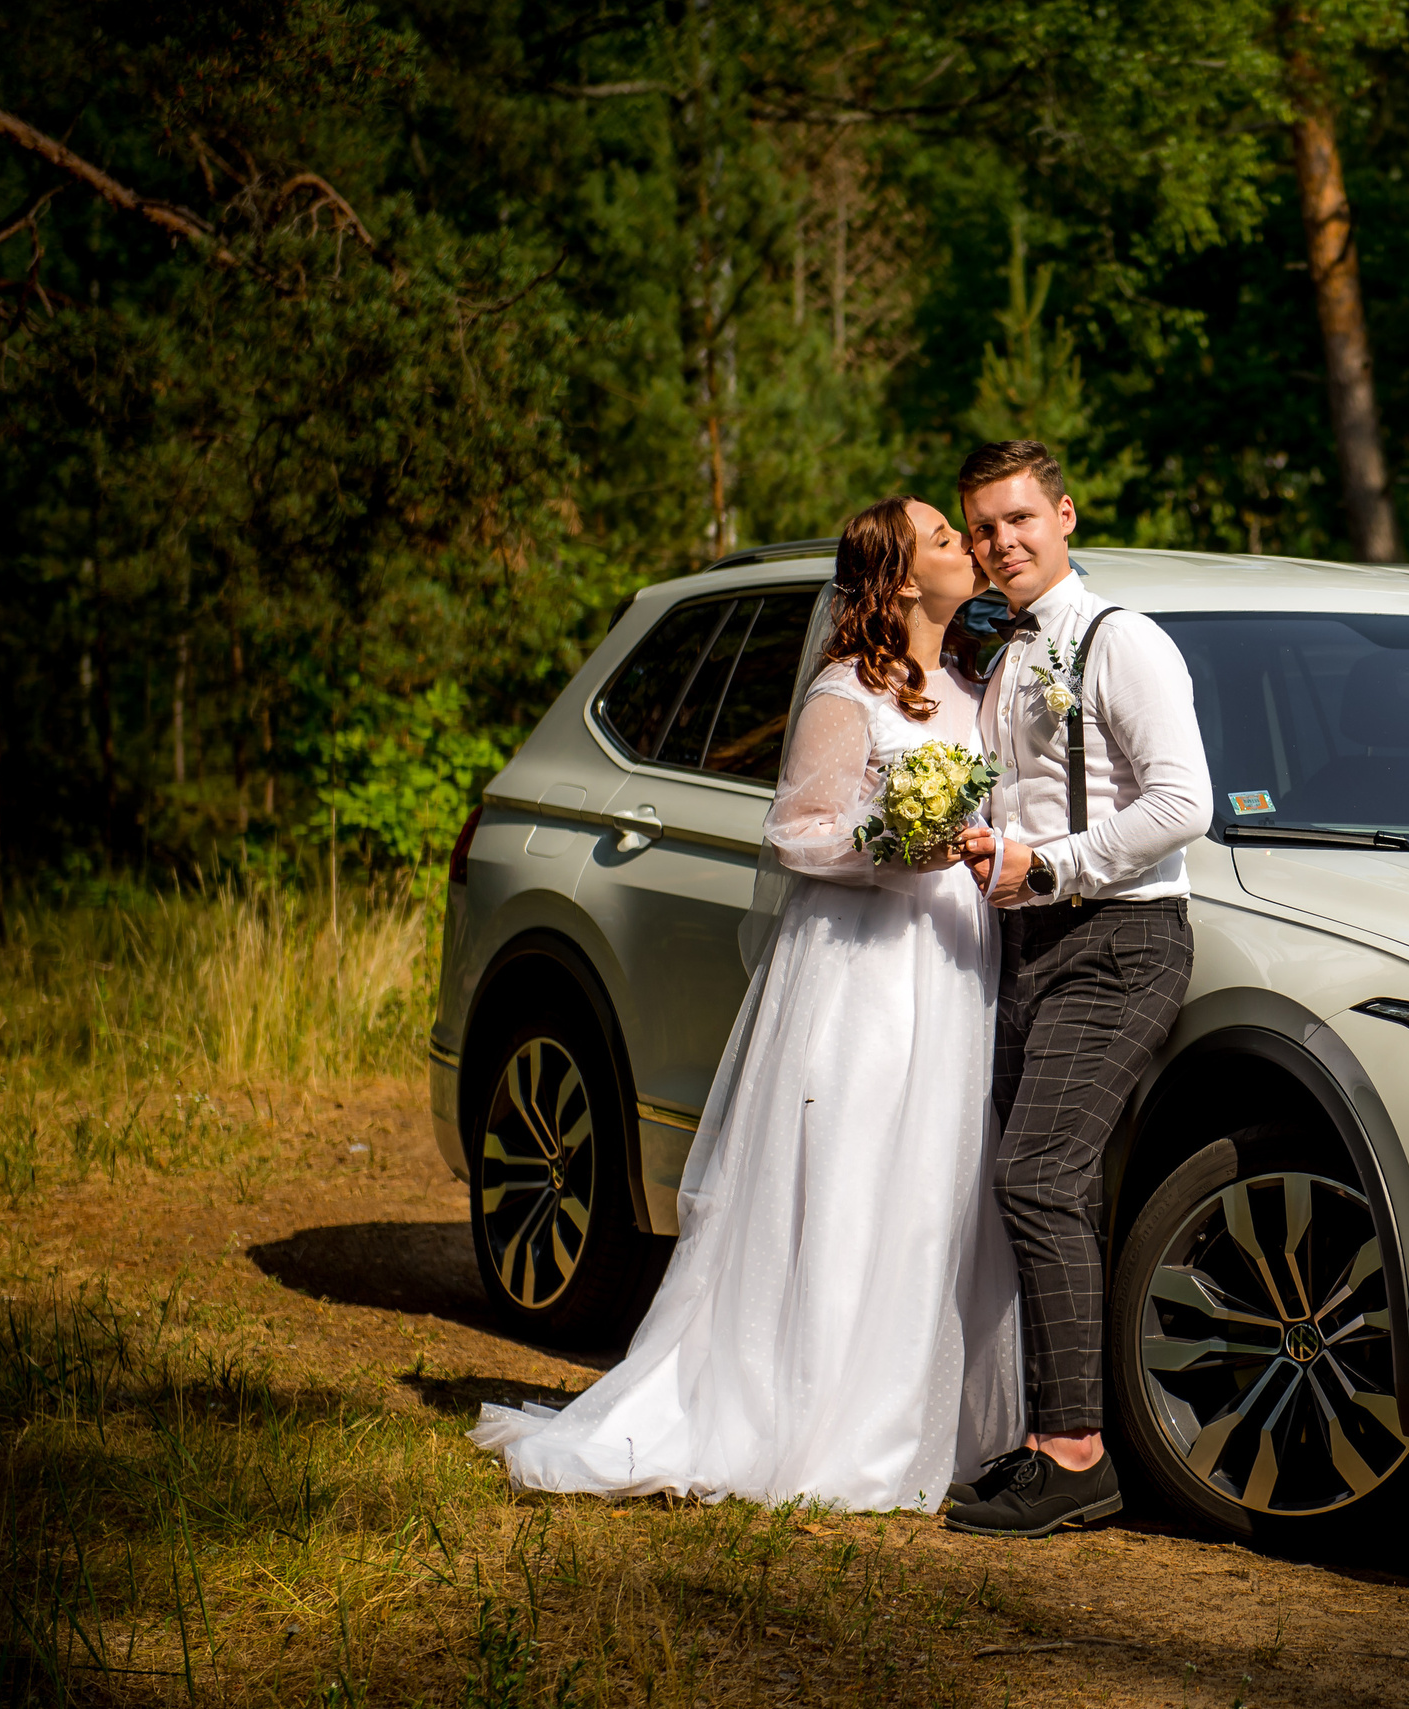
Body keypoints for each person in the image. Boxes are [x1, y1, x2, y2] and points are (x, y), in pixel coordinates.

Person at [469, 496, 1023, 1511]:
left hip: (945, 967)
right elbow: (799, 835)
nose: (967, 547)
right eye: (945, 536)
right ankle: (816, 1421)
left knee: (928, 1190)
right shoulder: (839, 692)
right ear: (900, 579)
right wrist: (899, 847)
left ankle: (906, 1416)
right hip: (860, 967)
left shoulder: (962, 688)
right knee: (849, 1179)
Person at [946, 440, 1213, 1538]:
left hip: (1121, 940)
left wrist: (1049, 866)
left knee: (1041, 1174)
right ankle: (1041, 1427)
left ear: (1063, 514)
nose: (1001, 542)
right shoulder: (1005, 652)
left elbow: (1184, 802)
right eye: (982, 528)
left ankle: (1077, 1456)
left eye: (1018, 519)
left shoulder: (1122, 641)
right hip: (1031, 944)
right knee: (1027, 1186)